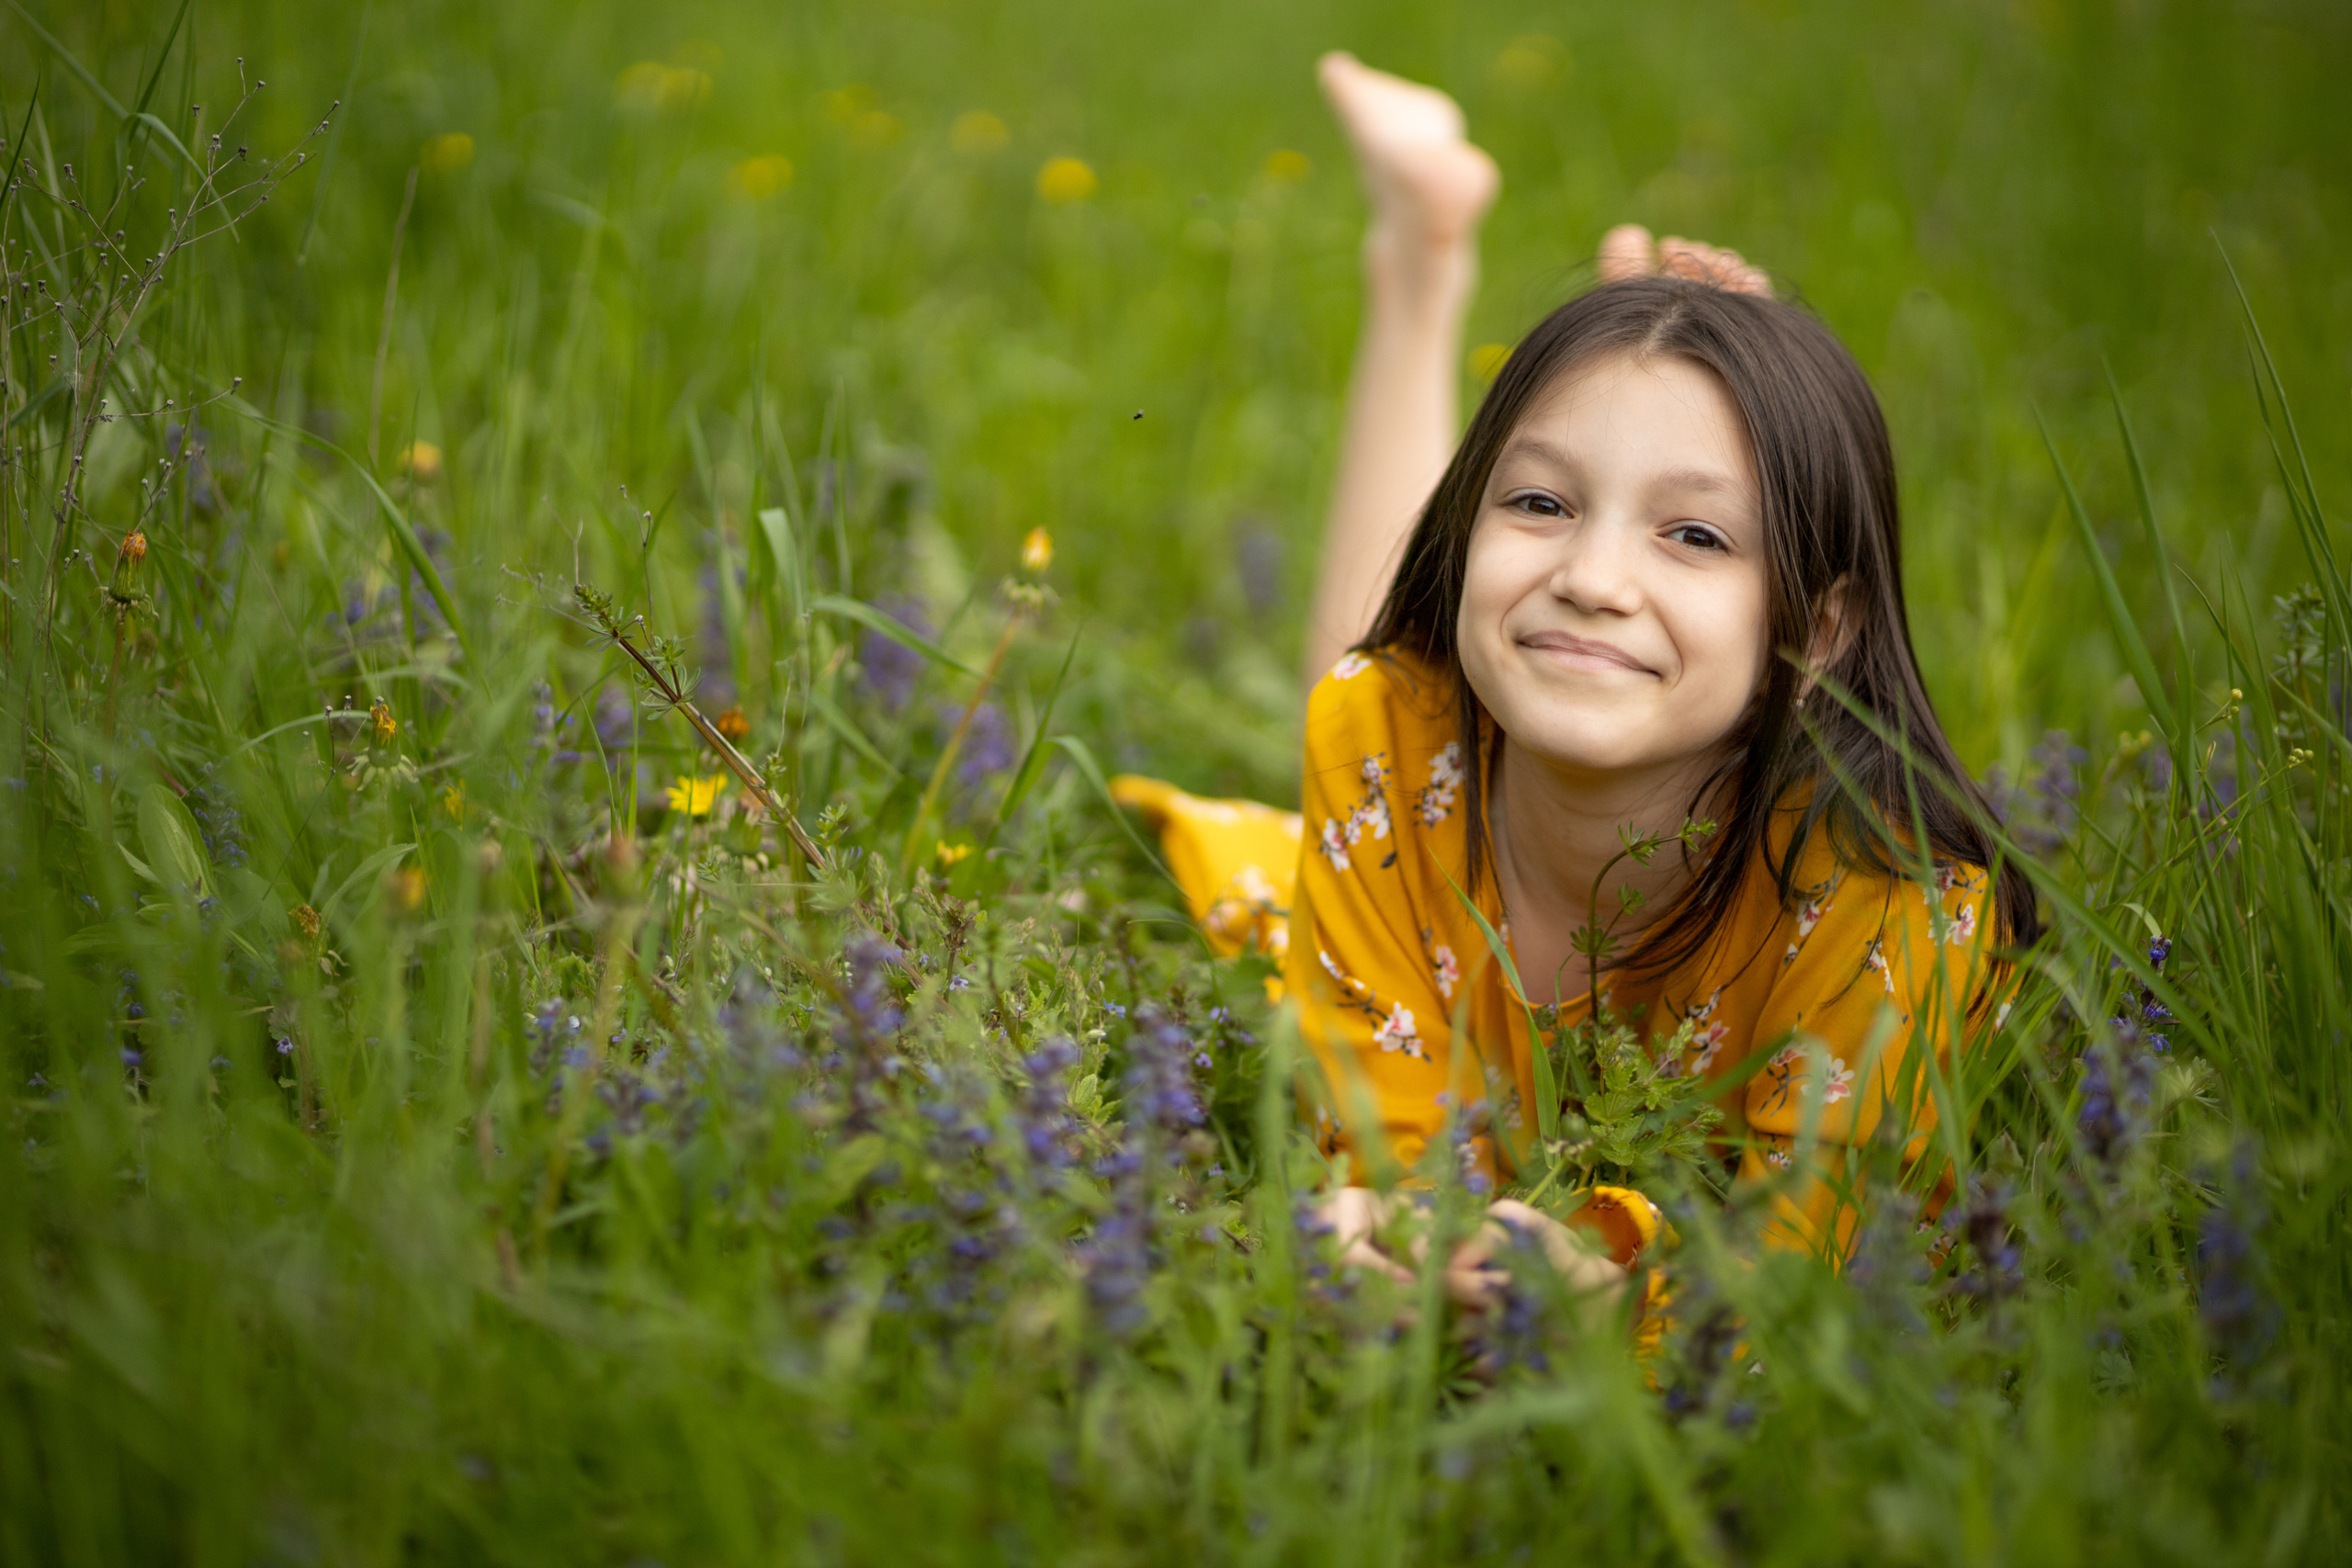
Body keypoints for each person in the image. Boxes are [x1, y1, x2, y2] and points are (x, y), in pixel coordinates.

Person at [1114, 53, 2033, 1309]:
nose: (1595, 575)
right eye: (1541, 503)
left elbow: (1812, 1277)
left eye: (1695, 535)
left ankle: (1444, 273)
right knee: (1392, 692)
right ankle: (1422, 261)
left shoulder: (1894, 912)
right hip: (1425, 768)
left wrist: (1626, 1299)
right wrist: (1371, 1226)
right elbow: (1379, 1156)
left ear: (1820, 632)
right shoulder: (1386, 730)